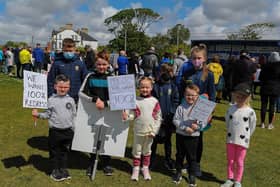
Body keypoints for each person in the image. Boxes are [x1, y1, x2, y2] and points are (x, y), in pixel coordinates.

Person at [179, 43, 216, 176]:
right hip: (187, 110)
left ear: (205, 58)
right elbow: (182, 91)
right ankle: (186, 162)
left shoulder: (209, 74)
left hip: (202, 111)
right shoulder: (187, 72)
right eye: (194, 58)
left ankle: (195, 165)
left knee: (198, 139)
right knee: (186, 137)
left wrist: (210, 113)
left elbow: (212, 94)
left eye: (199, 58)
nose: (196, 61)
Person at [32, 74, 76, 182]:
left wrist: (73, 129)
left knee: (64, 152)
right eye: (60, 87)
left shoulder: (71, 100)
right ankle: (55, 171)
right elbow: (47, 114)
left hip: (68, 131)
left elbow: (74, 115)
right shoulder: (51, 100)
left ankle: (64, 169)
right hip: (55, 132)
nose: (63, 89)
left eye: (66, 87)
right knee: (55, 153)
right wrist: (38, 115)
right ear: (55, 86)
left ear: (69, 87)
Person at [79, 50, 115, 176]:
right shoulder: (90, 76)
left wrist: (105, 104)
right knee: (93, 137)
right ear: (95, 64)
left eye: (104, 64)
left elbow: (119, 98)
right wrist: (95, 100)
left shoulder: (113, 78)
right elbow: (81, 93)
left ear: (108, 64)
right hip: (92, 112)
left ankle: (106, 163)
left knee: (106, 137)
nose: (101, 67)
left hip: (108, 113)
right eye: (99, 64)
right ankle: (92, 162)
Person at [122, 77, 162, 181]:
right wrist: (127, 117)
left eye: (147, 87)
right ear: (138, 88)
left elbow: (158, 118)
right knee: (137, 150)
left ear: (151, 88)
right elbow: (133, 115)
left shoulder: (154, 101)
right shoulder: (135, 101)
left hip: (150, 133)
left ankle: (145, 168)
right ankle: (135, 169)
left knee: (147, 151)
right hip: (138, 131)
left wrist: (154, 131)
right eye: (142, 87)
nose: (144, 89)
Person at [172, 83, 209, 186]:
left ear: (197, 96)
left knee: (192, 157)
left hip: (193, 137)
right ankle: (178, 172)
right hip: (181, 135)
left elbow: (204, 121)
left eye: (193, 95)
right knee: (179, 155)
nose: (190, 97)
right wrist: (184, 127)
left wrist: (198, 127)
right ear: (184, 95)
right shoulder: (181, 107)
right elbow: (175, 120)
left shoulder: (200, 109)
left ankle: (191, 175)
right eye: (188, 95)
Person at [221, 83, 256, 187]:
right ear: (234, 96)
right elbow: (227, 121)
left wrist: (247, 136)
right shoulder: (231, 109)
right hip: (231, 139)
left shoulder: (250, 112)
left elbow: (252, 126)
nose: (240, 98)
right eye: (238, 96)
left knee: (240, 161)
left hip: (243, 141)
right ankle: (230, 179)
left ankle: (238, 181)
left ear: (248, 98)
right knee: (230, 160)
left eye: (243, 97)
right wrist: (230, 132)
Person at [150, 63, 180, 171]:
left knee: (168, 141)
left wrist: (171, 114)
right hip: (156, 119)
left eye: (168, 72)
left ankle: (168, 160)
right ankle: (151, 160)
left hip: (168, 119)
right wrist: (157, 115)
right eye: (163, 72)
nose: (166, 74)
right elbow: (152, 101)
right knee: (153, 141)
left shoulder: (173, 86)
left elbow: (176, 101)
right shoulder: (156, 86)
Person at [47, 38, 88, 103]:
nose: (68, 52)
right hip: (59, 98)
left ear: (74, 49)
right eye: (66, 51)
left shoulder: (80, 64)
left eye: (70, 51)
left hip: (76, 99)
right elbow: (50, 81)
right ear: (62, 49)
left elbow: (85, 81)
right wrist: (50, 96)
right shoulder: (57, 63)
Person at [259, 52, 280, 129]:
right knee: (272, 106)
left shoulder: (265, 66)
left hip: (265, 87)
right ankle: (270, 124)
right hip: (275, 89)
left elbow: (260, 77)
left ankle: (262, 123)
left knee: (263, 105)